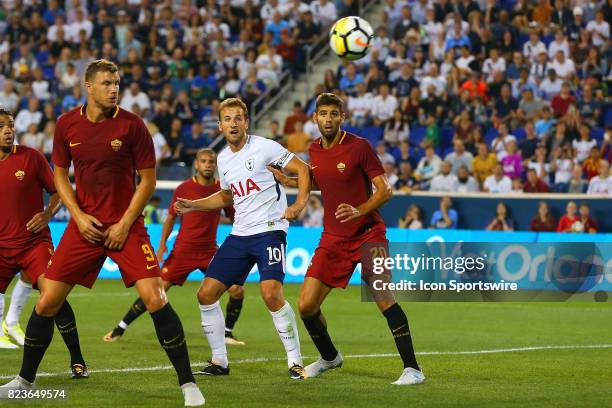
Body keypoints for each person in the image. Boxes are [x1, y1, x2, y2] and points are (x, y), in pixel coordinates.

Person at [0, 60, 205, 407]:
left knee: (156, 297)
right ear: (88, 85)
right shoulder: (66, 124)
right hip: (84, 228)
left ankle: (188, 385)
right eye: (107, 83)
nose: (114, 89)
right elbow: (61, 176)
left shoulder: (133, 125)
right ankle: (25, 380)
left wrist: (125, 223)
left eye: (117, 83)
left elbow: (149, 181)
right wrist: (77, 216)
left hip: (127, 227)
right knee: (48, 300)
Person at [269, 93, 424, 385]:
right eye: (323, 114)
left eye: (333, 114)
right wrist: (290, 181)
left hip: (369, 233)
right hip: (334, 238)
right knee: (306, 306)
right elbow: (323, 180)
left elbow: (385, 189)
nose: (328, 119)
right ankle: (330, 357)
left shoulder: (359, 147)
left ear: (343, 117)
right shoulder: (314, 149)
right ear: (314, 118)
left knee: (382, 295)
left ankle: (413, 369)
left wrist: (359, 210)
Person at [174, 98, 311, 379]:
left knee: (271, 293)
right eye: (228, 119)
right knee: (206, 294)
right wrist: (195, 205)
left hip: (270, 229)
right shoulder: (223, 159)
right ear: (221, 125)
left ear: (246, 122)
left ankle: (295, 361)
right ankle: (219, 362)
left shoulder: (265, 147)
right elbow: (227, 195)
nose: (233, 124)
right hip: (240, 233)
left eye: (238, 118)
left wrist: (299, 205)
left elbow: (303, 169)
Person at [104, 149, 246, 346]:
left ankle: (227, 333)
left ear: (216, 165)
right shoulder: (184, 188)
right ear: (196, 164)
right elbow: (171, 216)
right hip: (183, 251)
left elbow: (233, 217)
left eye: (211, 162)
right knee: (156, 291)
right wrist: (162, 244)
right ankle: (120, 327)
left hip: (209, 251)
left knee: (237, 290)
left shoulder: (222, 191)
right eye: (203, 161)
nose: (208, 165)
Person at [0, 107, 90, 382]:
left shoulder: (30, 157)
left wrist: (48, 213)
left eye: (11, 125)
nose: (8, 130)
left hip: (33, 243)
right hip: (1, 248)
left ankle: (77, 360)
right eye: (2, 126)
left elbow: (57, 191)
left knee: (53, 295)